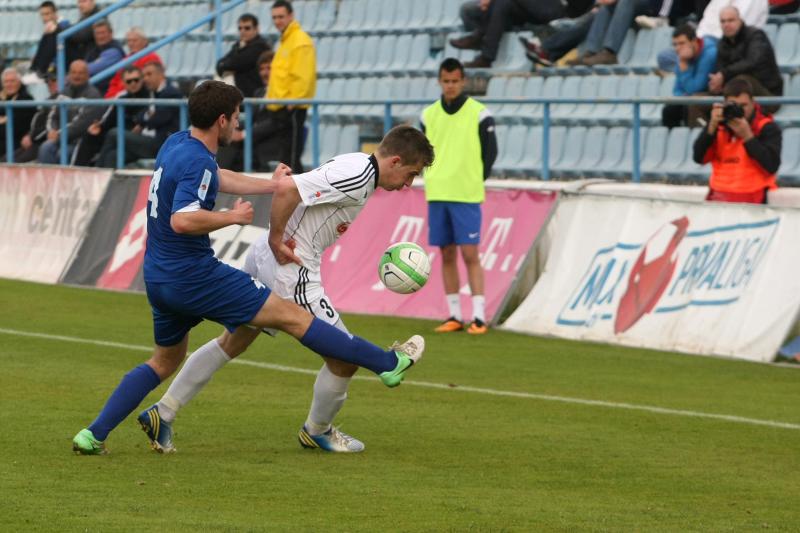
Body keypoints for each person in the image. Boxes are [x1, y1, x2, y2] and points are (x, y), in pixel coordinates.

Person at [71, 81, 427, 455]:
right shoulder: (197, 159)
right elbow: (182, 220)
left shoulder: (178, 144)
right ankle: (387, 363)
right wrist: (233, 217)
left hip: (158, 276)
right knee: (293, 318)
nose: (239, 123)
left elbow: (217, 177)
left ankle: (98, 433)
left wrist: (270, 186)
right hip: (195, 275)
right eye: (237, 116)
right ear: (222, 119)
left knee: (169, 358)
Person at [139, 125, 435, 454]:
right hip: (293, 270)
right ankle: (320, 428)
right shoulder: (357, 174)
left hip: (269, 259)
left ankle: (163, 412)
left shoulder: (359, 166)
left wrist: (274, 241)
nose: (408, 184)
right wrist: (277, 237)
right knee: (342, 360)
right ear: (395, 161)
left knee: (233, 340)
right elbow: (288, 189)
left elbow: (295, 191)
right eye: (411, 174)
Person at [421, 58, 497, 335]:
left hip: (465, 194)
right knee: (446, 253)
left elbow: (490, 153)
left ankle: (478, 316)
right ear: (440, 81)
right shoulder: (428, 115)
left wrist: (474, 179)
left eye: (455, 81)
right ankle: (454, 314)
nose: (451, 86)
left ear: (463, 81)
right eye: (446, 81)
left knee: (470, 253)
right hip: (438, 192)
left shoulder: (479, 113)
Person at [692, 77, 781, 203]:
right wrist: (711, 127)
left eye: (744, 105)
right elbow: (699, 158)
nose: (740, 110)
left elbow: (771, 166)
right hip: (719, 192)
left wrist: (748, 137)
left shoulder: (766, 127)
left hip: (752, 193)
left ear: (753, 102)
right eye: (735, 105)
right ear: (725, 104)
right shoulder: (718, 125)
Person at [96, 61, 181, 168]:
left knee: (114, 133)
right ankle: (107, 182)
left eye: (149, 74)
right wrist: (146, 117)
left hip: (161, 144)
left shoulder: (171, 93)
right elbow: (140, 116)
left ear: (161, 74)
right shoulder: (152, 92)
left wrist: (145, 120)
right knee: (113, 156)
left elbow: (157, 119)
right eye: (144, 75)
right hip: (147, 139)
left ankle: (97, 171)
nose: (145, 78)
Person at [266, 0, 315, 172]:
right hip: (282, 106)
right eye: (274, 17)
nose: (277, 21)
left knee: (292, 157)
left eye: (281, 16)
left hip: (291, 107)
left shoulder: (299, 41)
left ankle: (297, 195)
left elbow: (303, 75)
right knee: (287, 156)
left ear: (291, 16)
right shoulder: (286, 41)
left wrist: (293, 101)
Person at [454, 0, 573, 68]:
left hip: (553, 7)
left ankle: (479, 36)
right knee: (502, 3)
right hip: (527, 8)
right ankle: (486, 57)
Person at [657, 0, 768, 72]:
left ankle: (692, 72)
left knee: (708, 56)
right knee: (664, 57)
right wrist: (695, 45)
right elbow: (705, 23)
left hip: (727, 45)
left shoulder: (755, 2)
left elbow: (738, 28)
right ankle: (694, 70)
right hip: (703, 42)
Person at [217, 50, 283, 171]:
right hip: (252, 143)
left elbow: (274, 123)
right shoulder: (259, 92)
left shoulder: (283, 94)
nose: (265, 73)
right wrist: (231, 128)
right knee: (224, 137)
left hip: (269, 144)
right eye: (262, 69)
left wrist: (243, 134)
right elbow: (250, 119)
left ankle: (216, 177)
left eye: (269, 68)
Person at [72, 66, 149, 166]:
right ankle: (78, 170)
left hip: (138, 136)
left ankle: (98, 169)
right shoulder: (121, 98)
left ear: (142, 80)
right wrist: (99, 126)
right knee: (90, 135)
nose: (133, 83)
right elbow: (108, 119)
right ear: (124, 83)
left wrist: (141, 124)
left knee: (113, 138)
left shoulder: (150, 96)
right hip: (119, 135)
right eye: (129, 81)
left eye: (136, 80)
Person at [708, 6, 782, 103]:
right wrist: (717, 84)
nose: (726, 24)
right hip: (734, 93)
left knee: (741, 81)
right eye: (723, 21)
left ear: (740, 20)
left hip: (768, 94)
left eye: (730, 20)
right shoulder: (722, 43)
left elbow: (752, 62)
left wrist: (724, 75)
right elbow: (720, 69)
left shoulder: (756, 36)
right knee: (696, 101)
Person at [36, 60, 104, 164]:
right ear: (69, 74)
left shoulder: (94, 96)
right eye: (74, 72)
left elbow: (81, 124)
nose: (77, 76)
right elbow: (52, 116)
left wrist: (58, 134)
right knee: (45, 148)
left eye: (81, 73)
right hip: (60, 138)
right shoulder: (63, 93)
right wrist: (51, 131)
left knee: (63, 153)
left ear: (87, 75)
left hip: (80, 141)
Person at [662, 24, 718, 128]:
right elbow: (677, 90)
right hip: (692, 97)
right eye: (675, 44)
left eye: (682, 43)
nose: (678, 48)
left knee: (690, 106)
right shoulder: (682, 56)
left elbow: (696, 88)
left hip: (711, 96)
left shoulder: (710, 53)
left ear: (694, 41)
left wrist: (685, 68)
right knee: (669, 110)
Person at [216, 13, 271, 98]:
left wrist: (226, 65)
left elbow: (236, 63)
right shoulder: (238, 45)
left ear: (256, 29)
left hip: (252, 94)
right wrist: (225, 65)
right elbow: (220, 63)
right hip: (239, 92)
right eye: (240, 28)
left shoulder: (261, 46)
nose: (243, 31)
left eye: (247, 28)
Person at [10, 67, 59, 163]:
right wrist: (28, 135)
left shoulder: (63, 100)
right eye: (47, 80)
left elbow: (51, 126)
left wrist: (32, 137)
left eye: (53, 80)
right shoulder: (49, 100)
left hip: (42, 142)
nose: (49, 83)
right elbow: (38, 122)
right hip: (33, 141)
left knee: (15, 165)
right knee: (5, 162)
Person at [104, 27, 162, 98]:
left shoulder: (151, 58)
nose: (131, 44)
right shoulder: (126, 59)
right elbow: (115, 81)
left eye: (134, 41)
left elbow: (144, 83)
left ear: (144, 42)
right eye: (129, 41)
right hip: (119, 96)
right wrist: (110, 95)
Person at [0, 68, 36, 161]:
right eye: (6, 82)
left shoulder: (26, 100)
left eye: (12, 81)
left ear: (19, 82)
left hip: (16, 142)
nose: (9, 84)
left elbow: (17, 128)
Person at [30, 1, 71, 78]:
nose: (45, 18)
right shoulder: (48, 30)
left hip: (64, 69)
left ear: (55, 14)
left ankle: (39, 70)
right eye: (42, 15)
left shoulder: (65, 25)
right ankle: (37, 69)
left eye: (47, 14)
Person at [84, 20, 125, 96]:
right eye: (97, 33)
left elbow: (90, 69)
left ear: (111, 33)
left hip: (108, 92)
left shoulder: (115, 50)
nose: (100, 36)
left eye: (103, 33)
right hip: (94, 91)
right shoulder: (93, 49)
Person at [66, 0, 99, 65]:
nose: (80, 5)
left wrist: (61, 28)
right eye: (79, 2)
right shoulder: (85, 16)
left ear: (93, 2)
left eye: (83, 1)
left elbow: (81, 36)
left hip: (90, 58)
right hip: (83, 56)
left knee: (58, 32)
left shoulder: (99, 16)